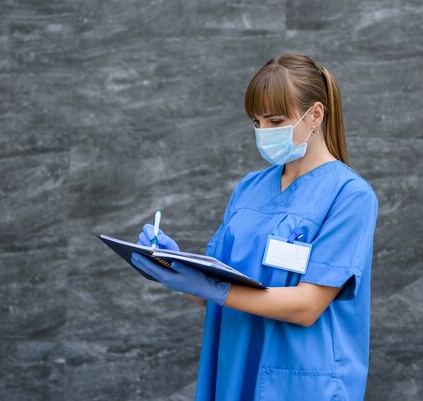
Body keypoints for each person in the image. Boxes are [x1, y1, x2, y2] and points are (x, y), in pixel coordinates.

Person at [131, 53, 378, 401]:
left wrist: (211, 288)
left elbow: (308, 306)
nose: (264, 133)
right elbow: (217, 288)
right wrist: (176, 268)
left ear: (316, 115)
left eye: (275, 120)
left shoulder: (349, 196)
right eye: (257, 122)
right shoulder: (250, 188)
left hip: (300, 382)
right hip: (234, 368)